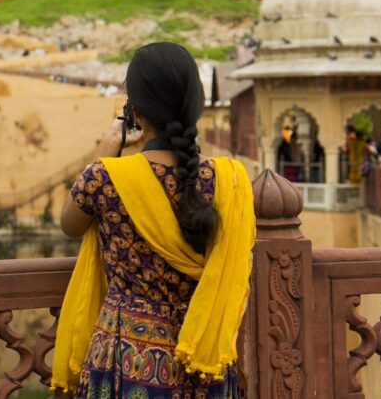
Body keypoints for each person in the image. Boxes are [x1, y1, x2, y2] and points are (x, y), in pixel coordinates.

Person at [54, 42, 255, 398]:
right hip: (202, 359)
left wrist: (109, 143)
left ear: (135, 111)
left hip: (124, 357)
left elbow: (69, 225)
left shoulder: (105, 177)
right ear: (196, 106)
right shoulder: (228, 180)